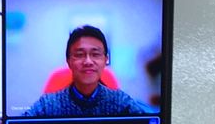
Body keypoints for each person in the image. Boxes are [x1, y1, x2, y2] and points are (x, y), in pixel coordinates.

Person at [24, 26, 155, 118]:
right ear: (68, 61)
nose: (88, 61)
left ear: (106, 60)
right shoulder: (48, 104)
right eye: (80, 54)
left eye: (95, 54)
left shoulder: (120, 101)